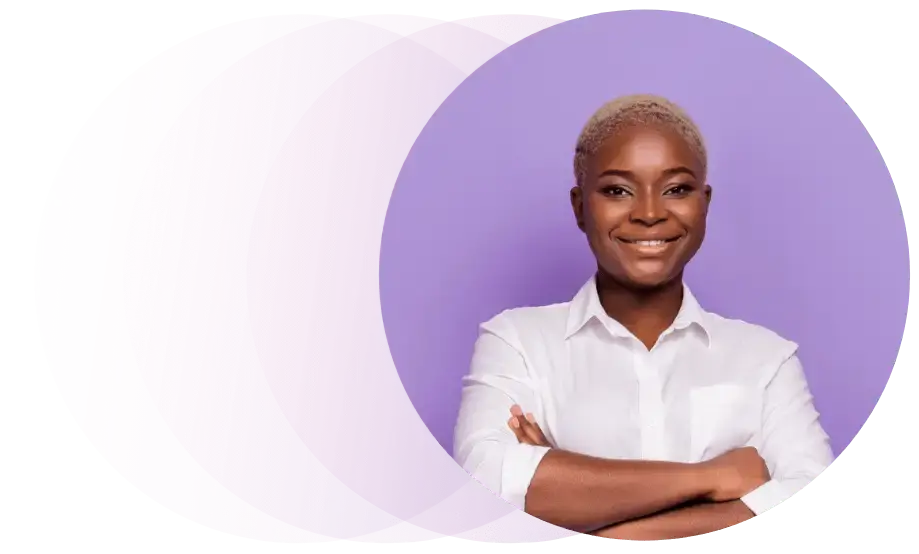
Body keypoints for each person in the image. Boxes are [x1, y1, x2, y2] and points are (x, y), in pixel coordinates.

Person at [452, 94, 833, 542]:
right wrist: (712, 478)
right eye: (617, 190)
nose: (650, 213)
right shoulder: (516, 341)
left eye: (676, 189)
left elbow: (814, 518)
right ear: (579, 207)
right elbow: (485, 488)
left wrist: (574, 501)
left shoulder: (767, 359)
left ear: (704, 203)